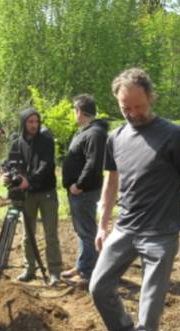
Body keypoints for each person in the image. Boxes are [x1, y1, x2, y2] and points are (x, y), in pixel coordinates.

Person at [89, 68, 180, 331]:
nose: (132, 113)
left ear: (150, 97)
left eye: (138, 106)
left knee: (150, 305)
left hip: (161, 234)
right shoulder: (115, 137)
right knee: (98, 286)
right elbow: (111, 182)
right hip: (126, 227)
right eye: (125, 107)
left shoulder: (172, 134)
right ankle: (122, 330)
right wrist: (103, 224)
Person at [2, 108, 63, 287]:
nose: (34, 125)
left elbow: (45, 165)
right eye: (30, 122)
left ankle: (54, 273)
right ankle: (29, 269)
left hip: (46, 193)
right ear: (24, 123)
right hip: (26, 195)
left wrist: (29, 181)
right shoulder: (16, 143)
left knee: (51, 234)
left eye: (36, 122)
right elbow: (8, 163)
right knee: (28, 235)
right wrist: (5, 174)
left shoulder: (47, 142)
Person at [61, 94, 109, 287]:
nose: (74, 113)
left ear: (79, 111)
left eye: (74, 110)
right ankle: (82, 265)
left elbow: (93, 164)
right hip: (79, 191)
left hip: (84, 192)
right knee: (83, 231)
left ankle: (89, 273)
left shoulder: (94, 133)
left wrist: (79, 185)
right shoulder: (86, 131)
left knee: (87, 231)